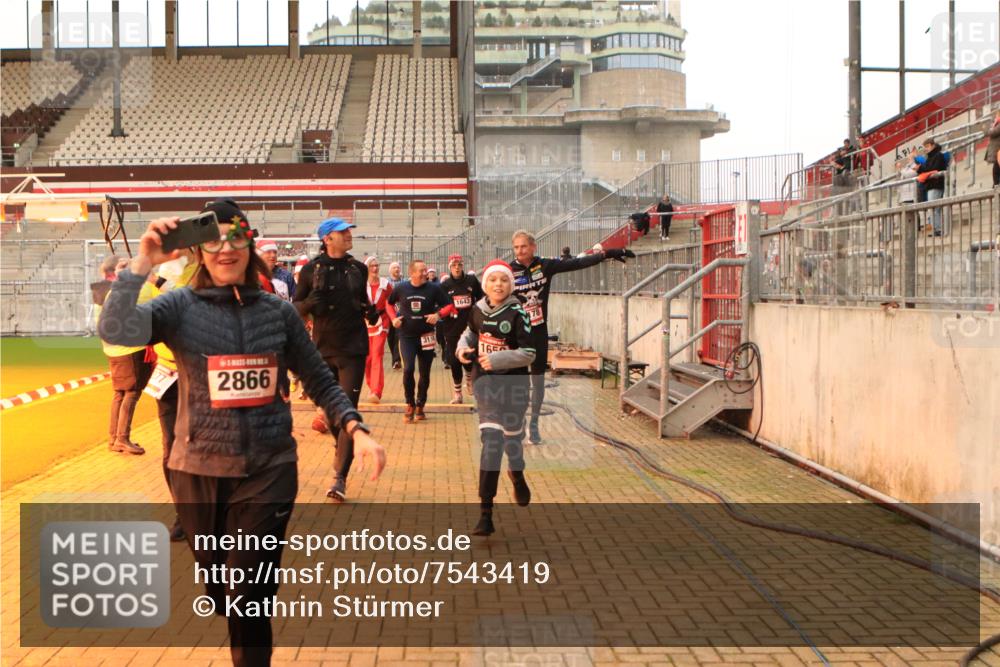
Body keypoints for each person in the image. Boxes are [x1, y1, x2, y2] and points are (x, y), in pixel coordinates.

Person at [98, 207, 386, 667]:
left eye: (236, 239)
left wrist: (355, 427)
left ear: (250, 247)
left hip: (268, 469)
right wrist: (143, 263)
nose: (226, 249)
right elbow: (115, 330)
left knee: (250, 591)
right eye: (214, 241)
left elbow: (318, 377)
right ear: (199, 251)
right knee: (220, 588)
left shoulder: (278, 312)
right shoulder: (178, 307)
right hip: (197, 471)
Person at [510, 230, 634, 444]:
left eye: (523, 246)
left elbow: (577, 264)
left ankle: (534, 425)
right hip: (516, 335)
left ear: (533, 247)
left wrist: (608, 253)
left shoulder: (545, 265)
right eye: (516, 247)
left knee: (537, 382)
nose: (520, 251)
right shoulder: (508, 270)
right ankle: (518, 425)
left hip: (538, 332)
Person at [293, 217, 379, 502]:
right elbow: (295, 309)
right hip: (322, 348)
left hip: (353, 348)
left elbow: (363, 300)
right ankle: (344, 443)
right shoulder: (309, 271)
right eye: (343, 232)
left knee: (347, 408)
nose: (349, 235)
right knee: (333, 414)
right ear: (328, 239)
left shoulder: (358, 268)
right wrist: (307, 305)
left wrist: (370, 310)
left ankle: (339, 478)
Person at [456, 259, 535, 536]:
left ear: (509, 284)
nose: (498, 284)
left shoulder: (518, 313)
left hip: (514, 386)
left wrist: (498, 358)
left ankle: (517, 473)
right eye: (492, 280)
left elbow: (530, 353)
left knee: (512, 441)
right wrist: (462, 349)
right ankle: (486, 512)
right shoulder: (476, 310)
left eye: (503, 280)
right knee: (491, 442)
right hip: (486, 384)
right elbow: (469, 334)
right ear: (485, 284)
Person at [142, 242, 200, 543]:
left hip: (199, 371)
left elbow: (185, 302)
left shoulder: (206, 268)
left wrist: (155, 281)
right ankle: (184, 513)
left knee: (201, 447)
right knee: (170, 450)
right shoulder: (162, 269)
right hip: (167, 369)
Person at [95, 256, 154, 456]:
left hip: (111, 349)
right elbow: (153, 299)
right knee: (132, 393)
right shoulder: (128, 291)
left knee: (120, 393)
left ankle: (114, 438)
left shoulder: (100, 291)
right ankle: (122, 438)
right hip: (130, 349)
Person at [387, 259, 456, 423]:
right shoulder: (401, 288)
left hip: (426, 336)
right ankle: (409, 403)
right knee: (408, 369)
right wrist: (393, 319)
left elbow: (449, 306)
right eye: (422, 270)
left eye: (426, 270)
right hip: (406, 336)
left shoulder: (434, 288)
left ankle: (420, 405)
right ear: (412, 273)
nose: (425, 273)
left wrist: (438, 315)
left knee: (425, 373)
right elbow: (388, 304)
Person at [438, 254, 483, 404]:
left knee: (468, 358)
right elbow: (439, 305)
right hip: (451, 328)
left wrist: (477, 313)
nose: (457, 268)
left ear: (462, 266)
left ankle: (469, 379)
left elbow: (481, 298)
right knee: (454, 360)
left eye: (459, 265)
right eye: (454, 265)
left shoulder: (471, 280)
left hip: (469, 327)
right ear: (450, 267)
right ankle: (457, 394)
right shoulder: (445, 285)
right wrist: (448, 310)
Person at [363, 256, 392, 404]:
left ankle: (376, 391)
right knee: (367, 358)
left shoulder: (385, 285)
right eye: (372, 266)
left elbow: (391, 302)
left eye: (377, 266)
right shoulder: (361, 285)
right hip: (365, 323)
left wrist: (393, 318)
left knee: (377, 354)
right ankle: (371, 386)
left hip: (382, 322)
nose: (375, 269)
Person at [916, 138, 947, 236]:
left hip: (936, 185)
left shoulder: (938, 155)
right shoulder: (930, 157)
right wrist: (920, 169)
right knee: (933, 209)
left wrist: (921, 168)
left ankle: (938, 229)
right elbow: (927, 169)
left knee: (934, 208)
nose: (926, 149)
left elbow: (934, 168)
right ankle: (936, 229)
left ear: (932, 145)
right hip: (931, 185)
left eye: (927, 146)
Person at [386, 261, 405, 370]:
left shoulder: (404, 282)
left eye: (398, 267)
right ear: (390, 270)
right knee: (391, 337)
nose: (396, 269)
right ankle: (395, 358)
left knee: (398, 337)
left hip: (401, 314)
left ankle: (397, 360)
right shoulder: (386, 283)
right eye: (394, 268)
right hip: (389, 314)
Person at [985, 111, 1000, 187]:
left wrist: (985, 130)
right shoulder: (996, 125)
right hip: (997, 152)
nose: (996, 117)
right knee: (996, 170)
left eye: (997, 116)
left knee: (996, 171)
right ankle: (996, 186)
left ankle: (996, 186)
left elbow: (992, 132)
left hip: (998, 151)